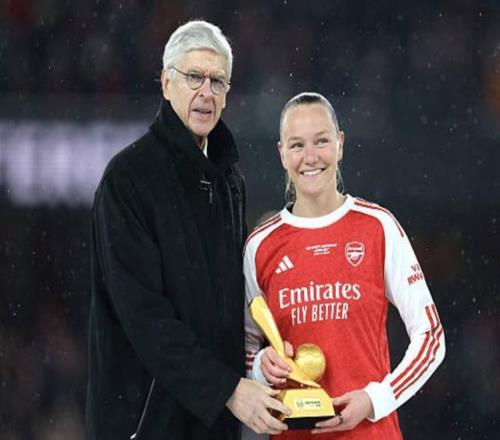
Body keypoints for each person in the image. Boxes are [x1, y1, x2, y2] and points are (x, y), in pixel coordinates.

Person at [86, 20, 290, 440]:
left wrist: (261, 357)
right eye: (194, 77)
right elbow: (144, 317)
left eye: (218, 81)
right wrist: (227, 390)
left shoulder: (229, 178)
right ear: (166, 83)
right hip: (143, 423)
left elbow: (231, 300)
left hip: (214, 421)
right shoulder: (128, 179)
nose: (206, 92)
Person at [243, 92, 445, 439]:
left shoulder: (378, 227)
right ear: (282, 154)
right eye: (297, 145)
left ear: (340, 144)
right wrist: (262, 366)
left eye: (321, 141)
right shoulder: (260, 246)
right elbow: (241, 350)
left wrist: (375, 399)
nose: (310, 157)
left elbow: (431, 337)